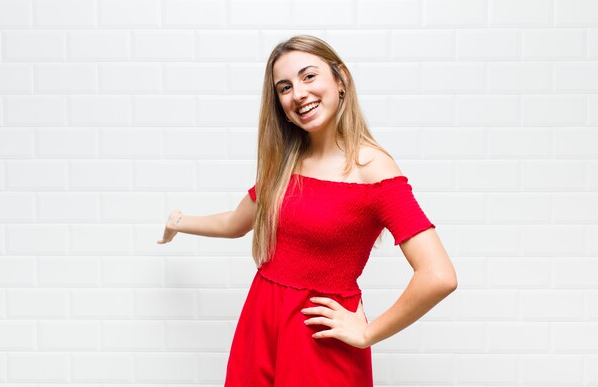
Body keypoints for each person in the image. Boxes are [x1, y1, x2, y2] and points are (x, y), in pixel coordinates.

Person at [158, 35, 457, 386]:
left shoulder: (373, 168)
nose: (298, 93)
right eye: (284, 87)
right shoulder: (286, 162)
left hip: (319, 337)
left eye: (309, 76)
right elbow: (235, 222)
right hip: (262, 321)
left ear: (340, 80)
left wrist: (368, 333)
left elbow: (439, 275)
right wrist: (178, 222)